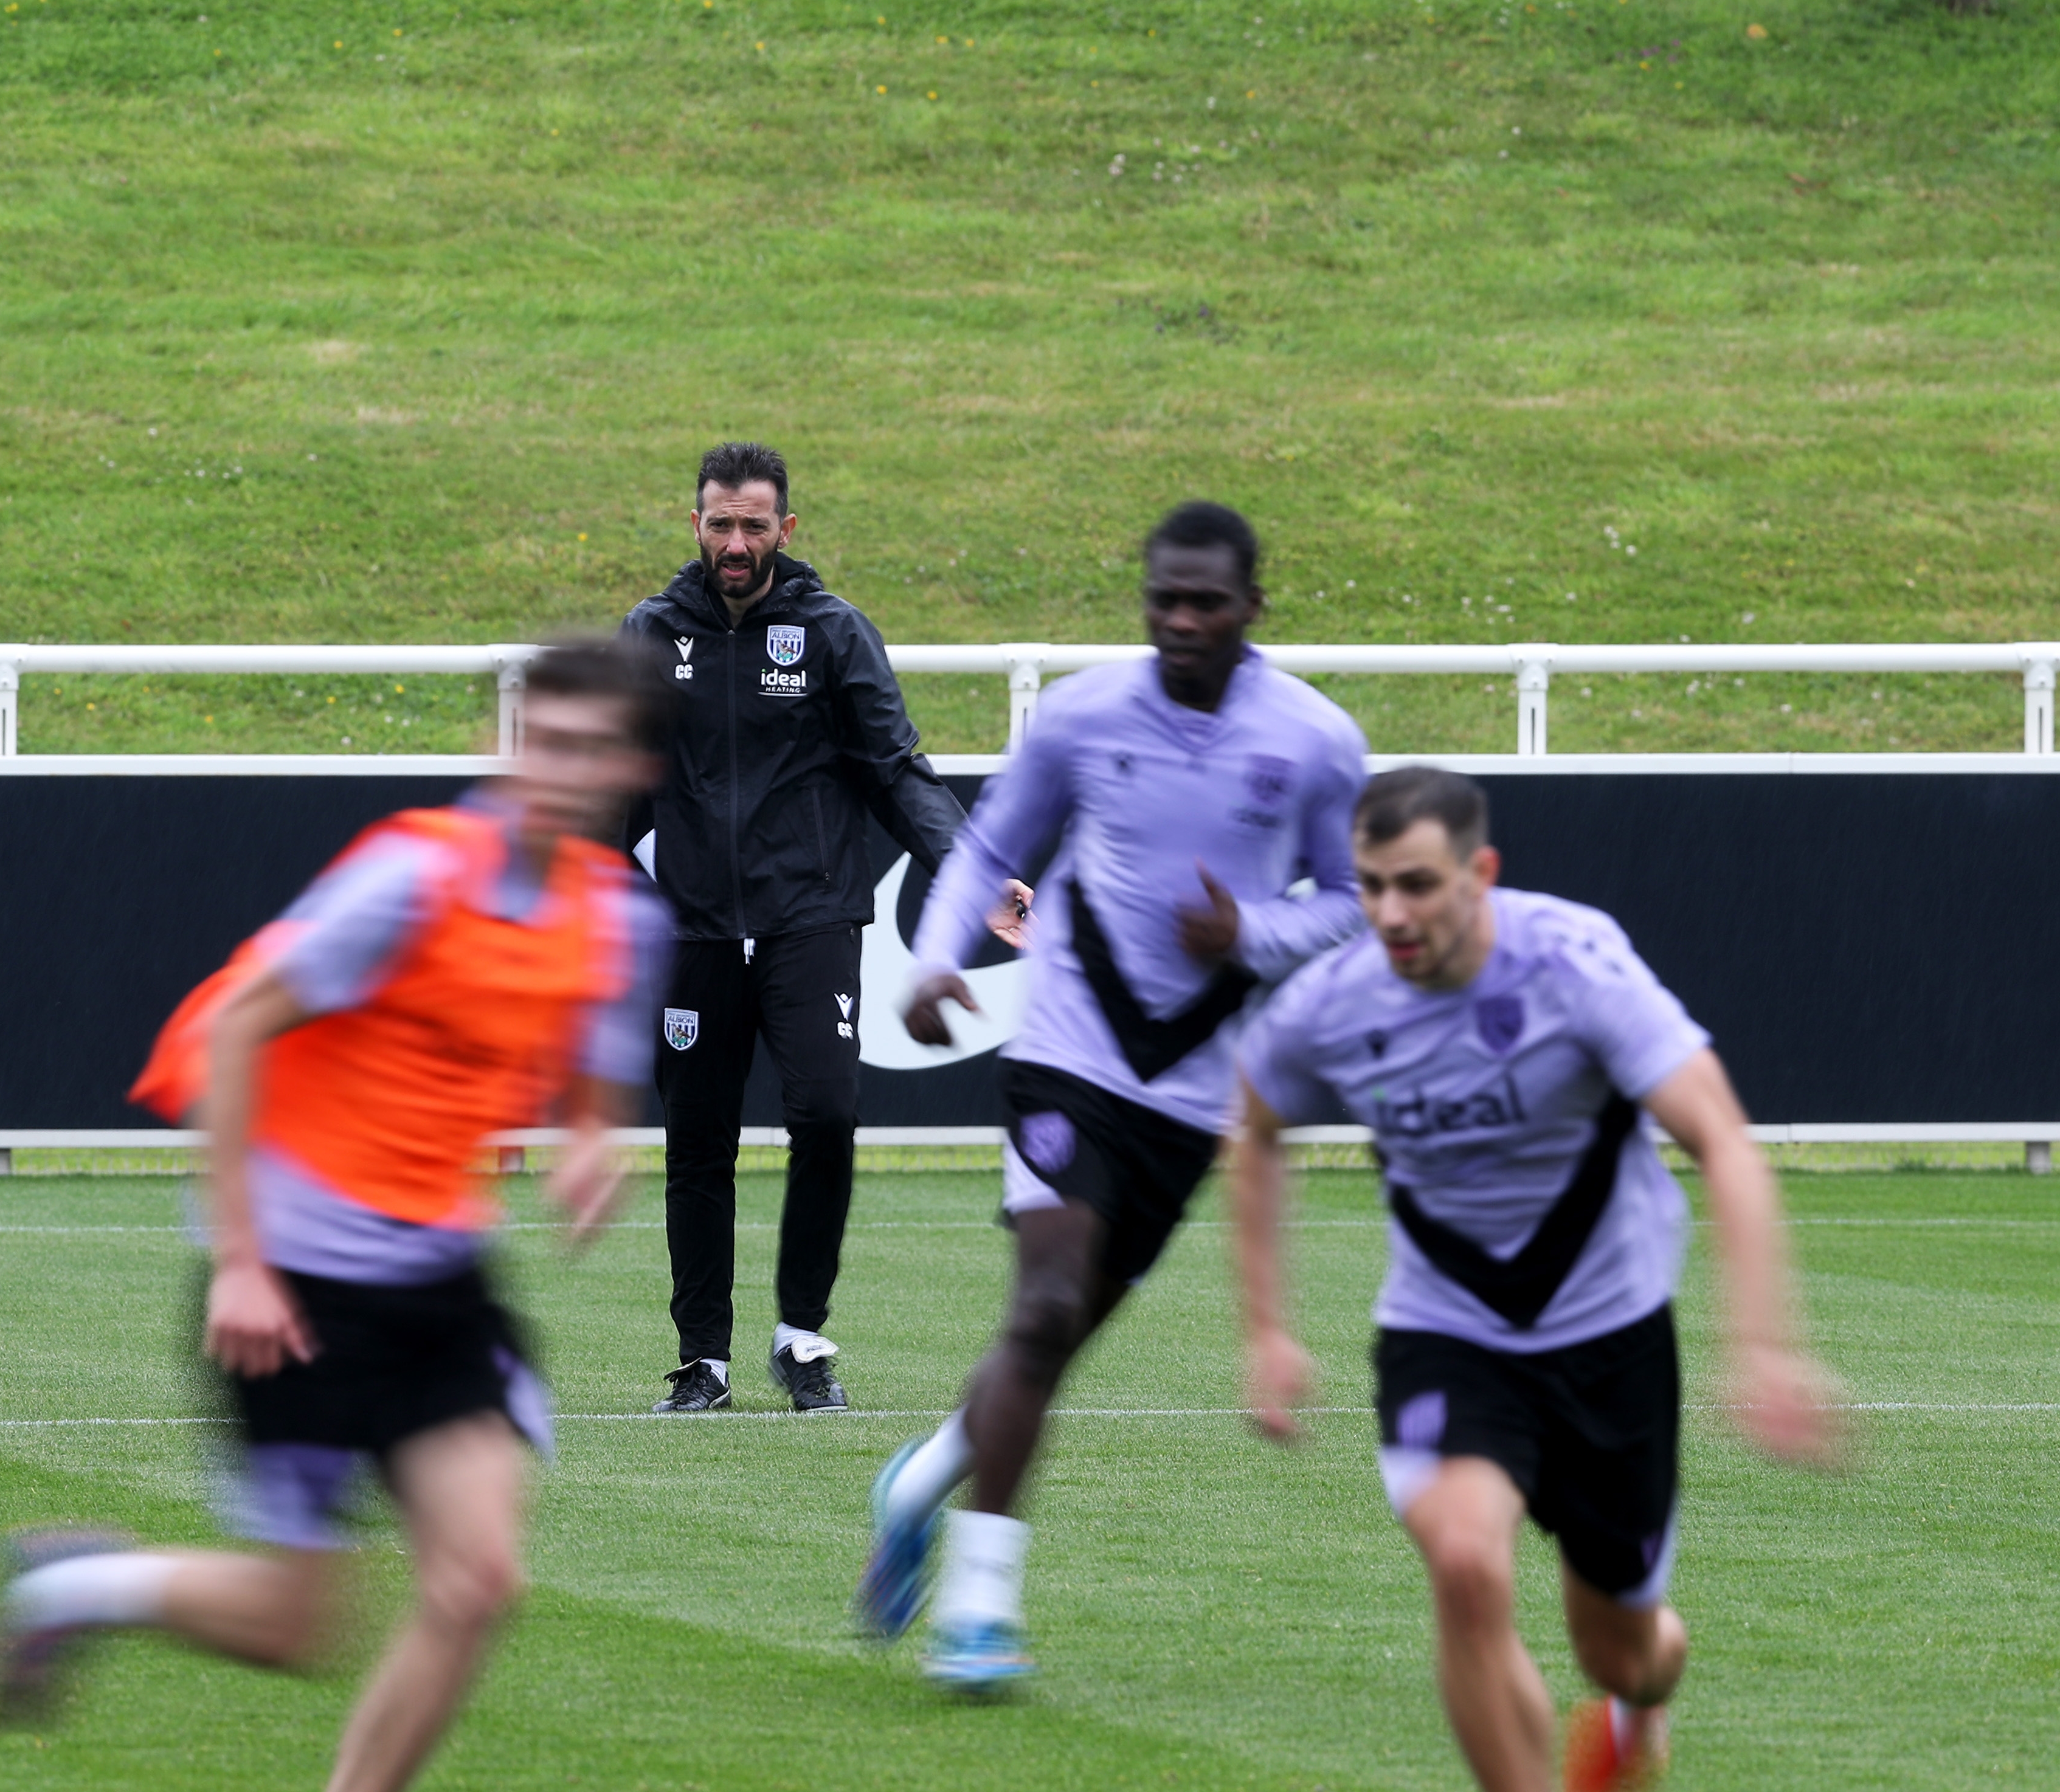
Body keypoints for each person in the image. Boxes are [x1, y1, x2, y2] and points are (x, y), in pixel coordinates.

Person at [0, 639, 670, 1792]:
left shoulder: (617, 920)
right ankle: (77, 1587)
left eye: (590, 749)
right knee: (301, 1629)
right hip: (296, 1289)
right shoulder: (415, 879)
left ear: (632, 767)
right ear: (512, 738)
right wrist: (241, 1264)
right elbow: (239, 1023)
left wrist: (592, 1149)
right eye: (542, 739)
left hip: (439, 1287)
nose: (557, 767)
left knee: (479, 1581)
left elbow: (592, 1080)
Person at [1229, 766, 1839, 1792]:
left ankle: (1639, 1710)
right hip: (1448, 1337)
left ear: (1483, 872)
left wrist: (1766, 1345)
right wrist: (1266, 1329)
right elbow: (1253, 1129)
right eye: (1371, 885)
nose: (1390, 913)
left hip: (1613, 1342)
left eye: (1417, 884)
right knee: (1466, 1565)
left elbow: (1724, 1141)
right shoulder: (1335, 1002)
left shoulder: (1575, 962)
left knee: (1625, 1651)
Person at [855, 500, 1369, 1689]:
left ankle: (924, 1475)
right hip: (1066, 1049)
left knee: (1059, 1332)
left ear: (1253, 607)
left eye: (1207, 602)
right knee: (1041, 1307)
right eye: (1162, 600)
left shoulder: (1316, 740)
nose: (1181, 620)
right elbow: (990, 851)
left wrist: (1255, 932)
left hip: (1190, 1094)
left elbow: (1353, 899)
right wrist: (940, 957)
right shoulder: (1084, 714)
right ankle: (979, 1616)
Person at [621, 441, 967, 1415]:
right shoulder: (649, 634)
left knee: (827, 1115)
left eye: (754, 525)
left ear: (787, 529)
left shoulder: (831, 632)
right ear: (695, 524)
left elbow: (897, 768)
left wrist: (974, 869)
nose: (737, 542)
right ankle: (705, 1361)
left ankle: (800, 1338)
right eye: (720, 523)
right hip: (689, 930)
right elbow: (609, 787)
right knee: (697, 1142)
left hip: (809, 919)